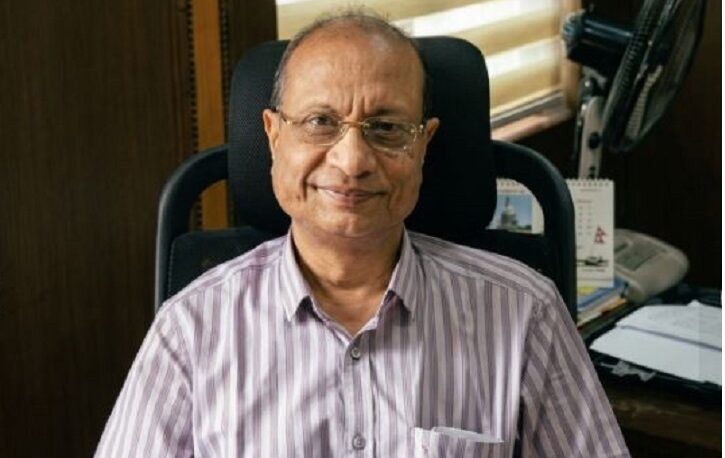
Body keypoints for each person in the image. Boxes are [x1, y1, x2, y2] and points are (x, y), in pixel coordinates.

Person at [96, 11, 629, 457]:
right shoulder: (192, 327)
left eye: (387, 128)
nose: (352, 161)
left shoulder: (524, 314)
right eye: (320, 122)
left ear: (423, 145)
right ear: (274, 136)